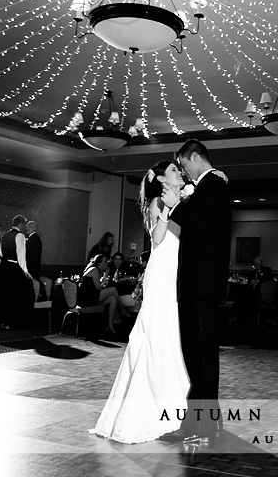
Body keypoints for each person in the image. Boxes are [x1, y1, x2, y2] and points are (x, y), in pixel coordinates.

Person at [90, 161, 191, 443]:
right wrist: (170, 208)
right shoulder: (159, 201)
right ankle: (155, 401)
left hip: (173, 269)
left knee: (170, 331)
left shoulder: (177, 199)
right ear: (161, 178)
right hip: (161, 271)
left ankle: (173, 397)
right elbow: (157, 238)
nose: (179, 174)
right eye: (174, 171)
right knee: (158, 330)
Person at [161, 139, 233, 441]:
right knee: (197, 352)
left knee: (201, 354)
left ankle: (199, 424)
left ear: (194, 157)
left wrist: (176, 206)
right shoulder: (208, 185)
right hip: (198, 282)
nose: (184, 171)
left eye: (184, 164)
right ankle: (205, 420)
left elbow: (205, 231)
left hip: (201, 283)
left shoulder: (213, 183)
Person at [79, 254, 128, 333]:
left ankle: (110, 325)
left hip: (92, 296)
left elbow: (98, 286)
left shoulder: (96, 270)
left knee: (113, 299)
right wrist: (105, 276)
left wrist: (105, 277)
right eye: (105, 261)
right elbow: (98, 287)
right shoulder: (94, 270)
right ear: (99, 263)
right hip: (87, 298)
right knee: (113, 289)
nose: (107, 263)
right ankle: (122, 310)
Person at [0, 215, 32, 330]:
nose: (24, 228)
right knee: (14, 295)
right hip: (14, 267)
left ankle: (3, 321)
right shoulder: (20, 236)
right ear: (20, 224)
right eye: (24, 225)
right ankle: (11, 322)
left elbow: (1, 253)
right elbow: (21, 255)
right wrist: (26, 271)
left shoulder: (4, 235)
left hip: (4, 266)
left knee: (4, 294)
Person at [25, 221, 48, 301]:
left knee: (34, 285)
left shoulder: (35, 239)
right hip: (33, 267)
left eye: (29, 226)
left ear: (34, 228)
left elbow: (31, 255)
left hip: (32, 267)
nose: (27, 228)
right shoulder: (32, 238)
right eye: (27, 226)